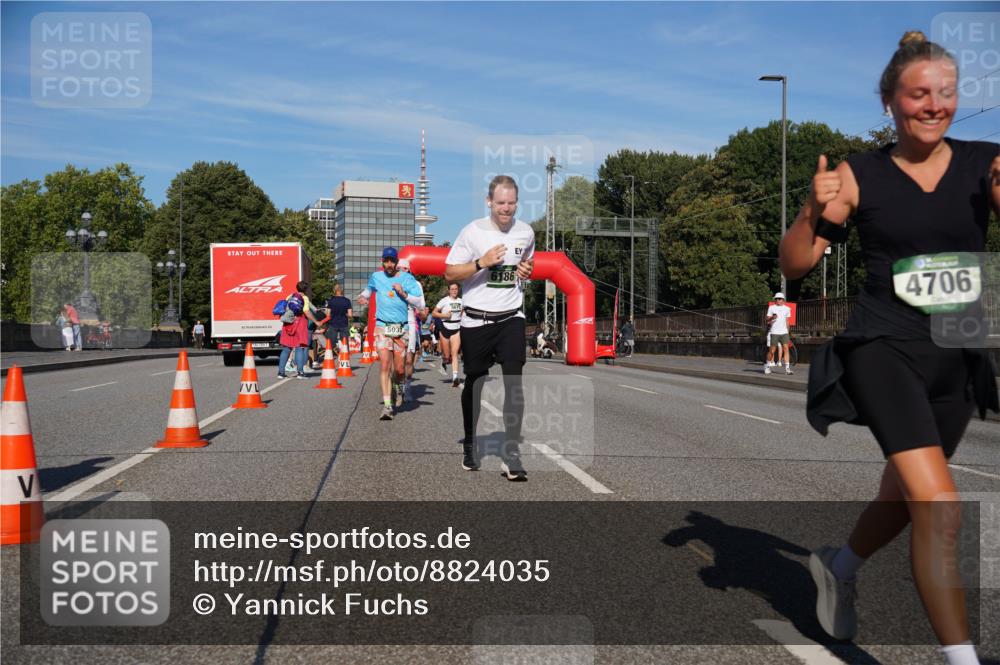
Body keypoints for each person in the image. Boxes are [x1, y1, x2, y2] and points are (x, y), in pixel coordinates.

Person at [780, 31, 999, 665]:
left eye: (947, 93)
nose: (934, 106)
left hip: (958, 350)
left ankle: (839, 566)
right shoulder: (858, 174)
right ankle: (962, 659)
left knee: (903, 497)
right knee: (941, 508)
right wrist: (807, 211)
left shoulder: (984, 163)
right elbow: (796, 266)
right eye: (918, 94)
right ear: (888, 101)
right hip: (883, 345)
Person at [445, 175, 535, 477]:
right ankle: (470, 444)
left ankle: (511, 453)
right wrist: (481, 263)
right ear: (489, 202)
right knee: (476, 382)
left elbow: (525, 270)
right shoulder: (472, 232)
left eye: (511, 203)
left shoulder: (526, 233)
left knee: (514, 382)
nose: (506, 209)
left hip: (511, 317)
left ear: (516, 203)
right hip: (476, 320)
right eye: (500, 203)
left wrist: (526, 271)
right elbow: (449, 274)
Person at [357, 247, 423, 420]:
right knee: (385, 364)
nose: (388, 264)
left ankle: (396, 385)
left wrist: (403, 292)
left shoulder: (407, 279)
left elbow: (419, 302)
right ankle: (387, 406)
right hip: (382, 326)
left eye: (392, 261)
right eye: (386, 261)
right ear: (382, 262)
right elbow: (369, 290)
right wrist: (363, 296)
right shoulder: (376, 276)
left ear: (396, 262)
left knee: (400, 369)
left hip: (401, 328)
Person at [396, 257, 426, 403]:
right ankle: (397, 385)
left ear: (409, 271)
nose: (401, 271)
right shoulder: (389, 282)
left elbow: (421, 305)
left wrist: (405, 295)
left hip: (410, 321)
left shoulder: (416, 284)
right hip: (393, 322)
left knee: (408, 360)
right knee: (396, 360)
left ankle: (406, 387)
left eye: (404, 269)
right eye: (398, 269)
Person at [277, 281, 320, 379]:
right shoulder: (304, 298)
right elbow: (306, 311)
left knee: (286, 348)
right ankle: (300, 372)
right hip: (299, 323)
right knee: (299, 348)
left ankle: (281, 372)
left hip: (288, 324)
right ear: (306, 289)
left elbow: (285, 308)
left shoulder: (290, 296)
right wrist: (316, 321)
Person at [432, 283, 464, 386]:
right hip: (445, 327)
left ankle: (455, 377)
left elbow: (463, 313)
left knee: (454, 353)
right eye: (452, 289)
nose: (454, 291)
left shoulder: (461, 301)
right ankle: (444, 362)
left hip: (457, 328)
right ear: (449, 290)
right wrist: (444, 315)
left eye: (456, 289)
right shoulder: (444, 301)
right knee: (447, 356)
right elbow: (434, 313)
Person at [764, 294, 793, 375]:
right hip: (774, 332)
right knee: (772, 351)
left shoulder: (787, 309)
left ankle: (787, 369)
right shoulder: (772, 307)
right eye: (776, 299)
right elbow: (767, 319)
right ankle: (767, 366)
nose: (778, 300)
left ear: (783, 300)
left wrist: (788, 332)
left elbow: (787, 321)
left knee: (786, 349)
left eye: (779, 299)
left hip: (784, 332)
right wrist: (772, 317)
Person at [321, 284, 353, 354]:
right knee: (345, 342)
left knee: (331, 342)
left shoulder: (331, 301)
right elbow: (350, 315)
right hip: (344, 323)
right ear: (342, 291)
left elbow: (328, 314)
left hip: (333, 324)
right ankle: (346, 358)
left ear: (334, 291)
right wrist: (345, 314)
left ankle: (330, 356)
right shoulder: (347, 301)